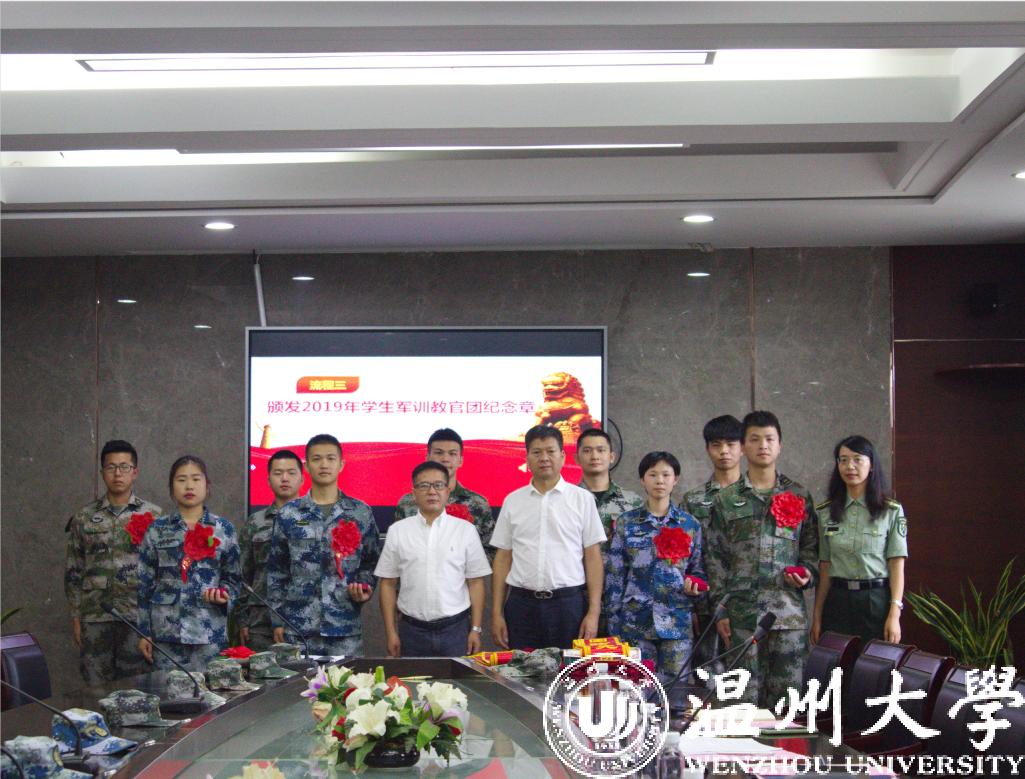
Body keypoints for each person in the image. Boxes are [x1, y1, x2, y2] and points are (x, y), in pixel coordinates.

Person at [704, 411, 819, 709]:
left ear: (780, 445)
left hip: (788, 617)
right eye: (754, 439)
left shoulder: (799, 495)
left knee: (788, 707)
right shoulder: (726, 500)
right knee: (742, 705)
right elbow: (715, 558)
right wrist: (721, 610)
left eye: (769, 439)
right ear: (743, 447)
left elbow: (811, 551)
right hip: (742, 618)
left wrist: (807, 574)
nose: (763, 446)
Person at [490, 425, 606, 650]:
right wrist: (496, 613)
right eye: (536, 452)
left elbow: (593, 557)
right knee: (522, 670)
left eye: (550, 451)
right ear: (527, 458)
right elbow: (503, 558)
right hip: (521, 605)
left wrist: (593, 612)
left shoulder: (582, 499)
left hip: (568, 606)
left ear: (562, 456)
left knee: (568, 670)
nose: (544, 458)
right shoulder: (513, 501)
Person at [266, 433, 381, 656]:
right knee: (298, 680)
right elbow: (277, 571)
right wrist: (277, 619)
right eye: (317, 459)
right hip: (298, 628)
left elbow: (372, 562)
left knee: (347, 679)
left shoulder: (360, 513)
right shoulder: (289, 514)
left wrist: (364, 586)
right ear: (307, 466)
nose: (324, 464)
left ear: (341, 464)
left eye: (330, 458)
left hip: (344, 626)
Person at [64, 440, 163, 684]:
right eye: (111, 467)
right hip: (95, 618)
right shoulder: (84, 518)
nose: (118, 474)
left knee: (137, 688)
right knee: (95, 688)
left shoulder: (154, 516)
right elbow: (74, 571)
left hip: (137, 618)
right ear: (102, 473)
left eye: (124, 467)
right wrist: (76, 617)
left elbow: (161, 573)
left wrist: (154, 623)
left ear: (135, 472)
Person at [605, 451, 705, 685]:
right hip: (635, 622)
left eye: (666, 475)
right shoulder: (627, 523)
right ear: (643, 480)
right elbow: (615, 576)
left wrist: (695, 587)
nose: (660, 480)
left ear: (675, 479)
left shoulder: (689, 524)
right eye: (653, 475)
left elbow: (698, 569)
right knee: (636, 690)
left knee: (676, 691)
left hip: (677, 622)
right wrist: (613, 622)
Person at [376, 462, 491, 657]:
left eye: (438, 485)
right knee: (411, 678)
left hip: (455, 630)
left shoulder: (465, 530)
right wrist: (391, 632)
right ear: (414, 493)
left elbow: (476, 582)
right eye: (424, 485)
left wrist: (476, 629)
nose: (431, 491)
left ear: (447, 491)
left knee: (458, 678)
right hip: (411, 631)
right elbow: (387, 584)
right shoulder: (398, 531)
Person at [137, 455, 241, 670]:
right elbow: (144, 583)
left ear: (207, 486)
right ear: (171, 487)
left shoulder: (224, 529)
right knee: (167, 689)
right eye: (181, 479)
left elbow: (235, 579)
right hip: (166, 634)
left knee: (212, 689)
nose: (189, 486)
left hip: (209, 632)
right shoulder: (157, 529)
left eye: (196, 479)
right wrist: (144, 632)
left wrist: (223, 595)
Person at [811, 435, 908, 646]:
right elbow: (825, 566)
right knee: (837, 663)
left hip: (875, 600)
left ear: (871, 465)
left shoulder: (890, 511)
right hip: (837, 601)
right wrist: (817, 616)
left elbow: (896, 565)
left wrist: (895, 612)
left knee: (874, 663)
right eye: (843, 460)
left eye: (857, 459)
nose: (850, 466)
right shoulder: (826, 512)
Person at [681, 415, 743, 665]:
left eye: (731, 444)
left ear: (743, 448)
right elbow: (684, 557)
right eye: (717, 445)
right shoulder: (693, 500)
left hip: (748, 601)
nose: (724, 451)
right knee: (708, 676)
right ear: (708, 449)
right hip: (705, 604)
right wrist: (691, 605)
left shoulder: (759, 497)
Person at [235, 449, 303, 651]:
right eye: (278, 473)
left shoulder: (313, 520)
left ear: (302, 478)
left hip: (304, 616)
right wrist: (242, 619)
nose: (284, 478)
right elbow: (242, 573)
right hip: (260, 619)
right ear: (268, 480)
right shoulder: (255, 522)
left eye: (291, 473)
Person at [393, 428, 496, 560]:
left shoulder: (478, 504)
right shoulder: (407, 503)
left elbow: (491, 552)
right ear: (427, 458)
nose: (445, 459)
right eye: (439, 453)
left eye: (452, 454)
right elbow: (398, 550)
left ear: (460, 460)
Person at [575, 428, 644, 552]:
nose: (594, 456)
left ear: (611, 457)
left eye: (601, 450)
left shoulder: (634, 502)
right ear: (577, 458)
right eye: (587, 451)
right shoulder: (567, 500)